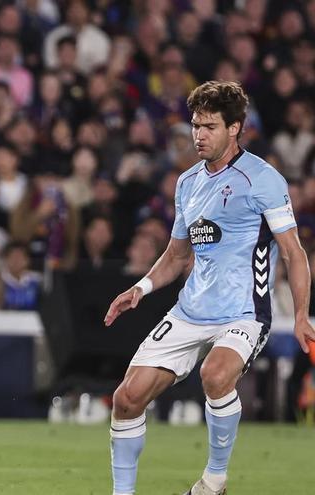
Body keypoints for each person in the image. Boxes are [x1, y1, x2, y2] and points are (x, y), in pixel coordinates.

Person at [103, 81, 315, 495]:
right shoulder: (187, 183)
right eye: (195, 124)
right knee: (126, 399)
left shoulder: (263, 179)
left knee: (215, 375)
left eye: (209, 126)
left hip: (244, 312)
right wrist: (141, 288)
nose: (198, 135)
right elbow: (177, 255)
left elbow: (293, 252)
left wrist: (303, 314)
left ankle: (213, 481)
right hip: (190, 311)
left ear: (235, 128)